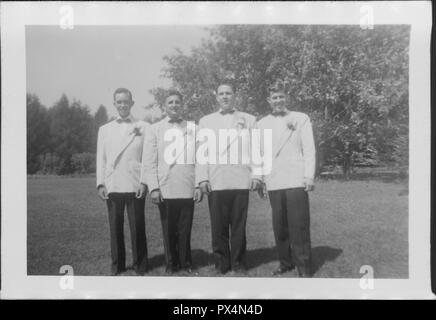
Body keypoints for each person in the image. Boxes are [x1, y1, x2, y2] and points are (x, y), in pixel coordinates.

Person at [196, 80, 262, 275]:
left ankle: (239, 262)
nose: (225, 96)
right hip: (216, 179)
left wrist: (257, 174)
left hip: (240, 178)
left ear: (235, 96)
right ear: (216, 97)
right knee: (218, 226)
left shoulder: (249, 119)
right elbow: (201, 153)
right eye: (221, 93)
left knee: (239, 225)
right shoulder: (206, 121)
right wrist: (202, 179)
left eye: (229, 93)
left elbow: (257, 149)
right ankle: (221, 263)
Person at [256, 81, 316, 277]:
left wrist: (309, 175)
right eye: (275, 97)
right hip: (274, 180)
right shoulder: (261, 123)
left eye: (281, 96)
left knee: (298, 224)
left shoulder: (300, 118)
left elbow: (309, 149)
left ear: (286, 97)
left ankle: (304, 267)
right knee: (279, 225)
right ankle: (285, 263)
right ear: (269, 100)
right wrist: (261, 179)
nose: (278, 100)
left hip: (296, 178)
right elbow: (259, 153)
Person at [141, 90, 202, 274]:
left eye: (177, 102)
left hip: (187, 184)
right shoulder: (155, 129)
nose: (174, 105)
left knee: (185, 228)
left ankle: (186, 263)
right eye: (170, 102)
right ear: (164, 106)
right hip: (165, 186)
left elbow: (200, 159)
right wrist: (154, 188)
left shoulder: (194, 128)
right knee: (168, 228)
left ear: (182, 105)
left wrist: (198, 185)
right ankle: (171, 263)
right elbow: (149, 161)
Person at [96, 88, 149, 276]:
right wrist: (100, 183)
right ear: (114, 104)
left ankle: (140, 265)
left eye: (126, 101)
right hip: (113, 185)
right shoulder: (105, 129)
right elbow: (100, 159)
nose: (123, 105)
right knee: (115, 228)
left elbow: (148, 158)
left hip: (135, 184)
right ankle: (117, 265)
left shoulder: (143, 126)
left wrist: (144, 182)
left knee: (138, 227)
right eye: (119, 102)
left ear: (132, 103)